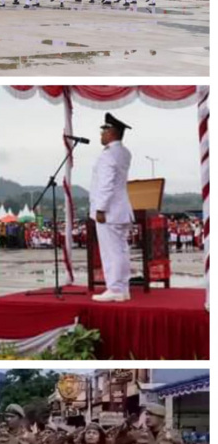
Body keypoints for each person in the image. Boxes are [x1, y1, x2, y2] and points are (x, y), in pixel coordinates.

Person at [89, 113, 134, 302]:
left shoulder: (108, 155)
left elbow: (106, 184)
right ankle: (122, 288)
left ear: (112, 132)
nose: (101, 134)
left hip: (109, 212)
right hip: (121, 209)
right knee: (121, 250)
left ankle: (114, 288)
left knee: (111, 252)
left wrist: (100, 208)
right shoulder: (124, 152)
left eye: (104, 130)